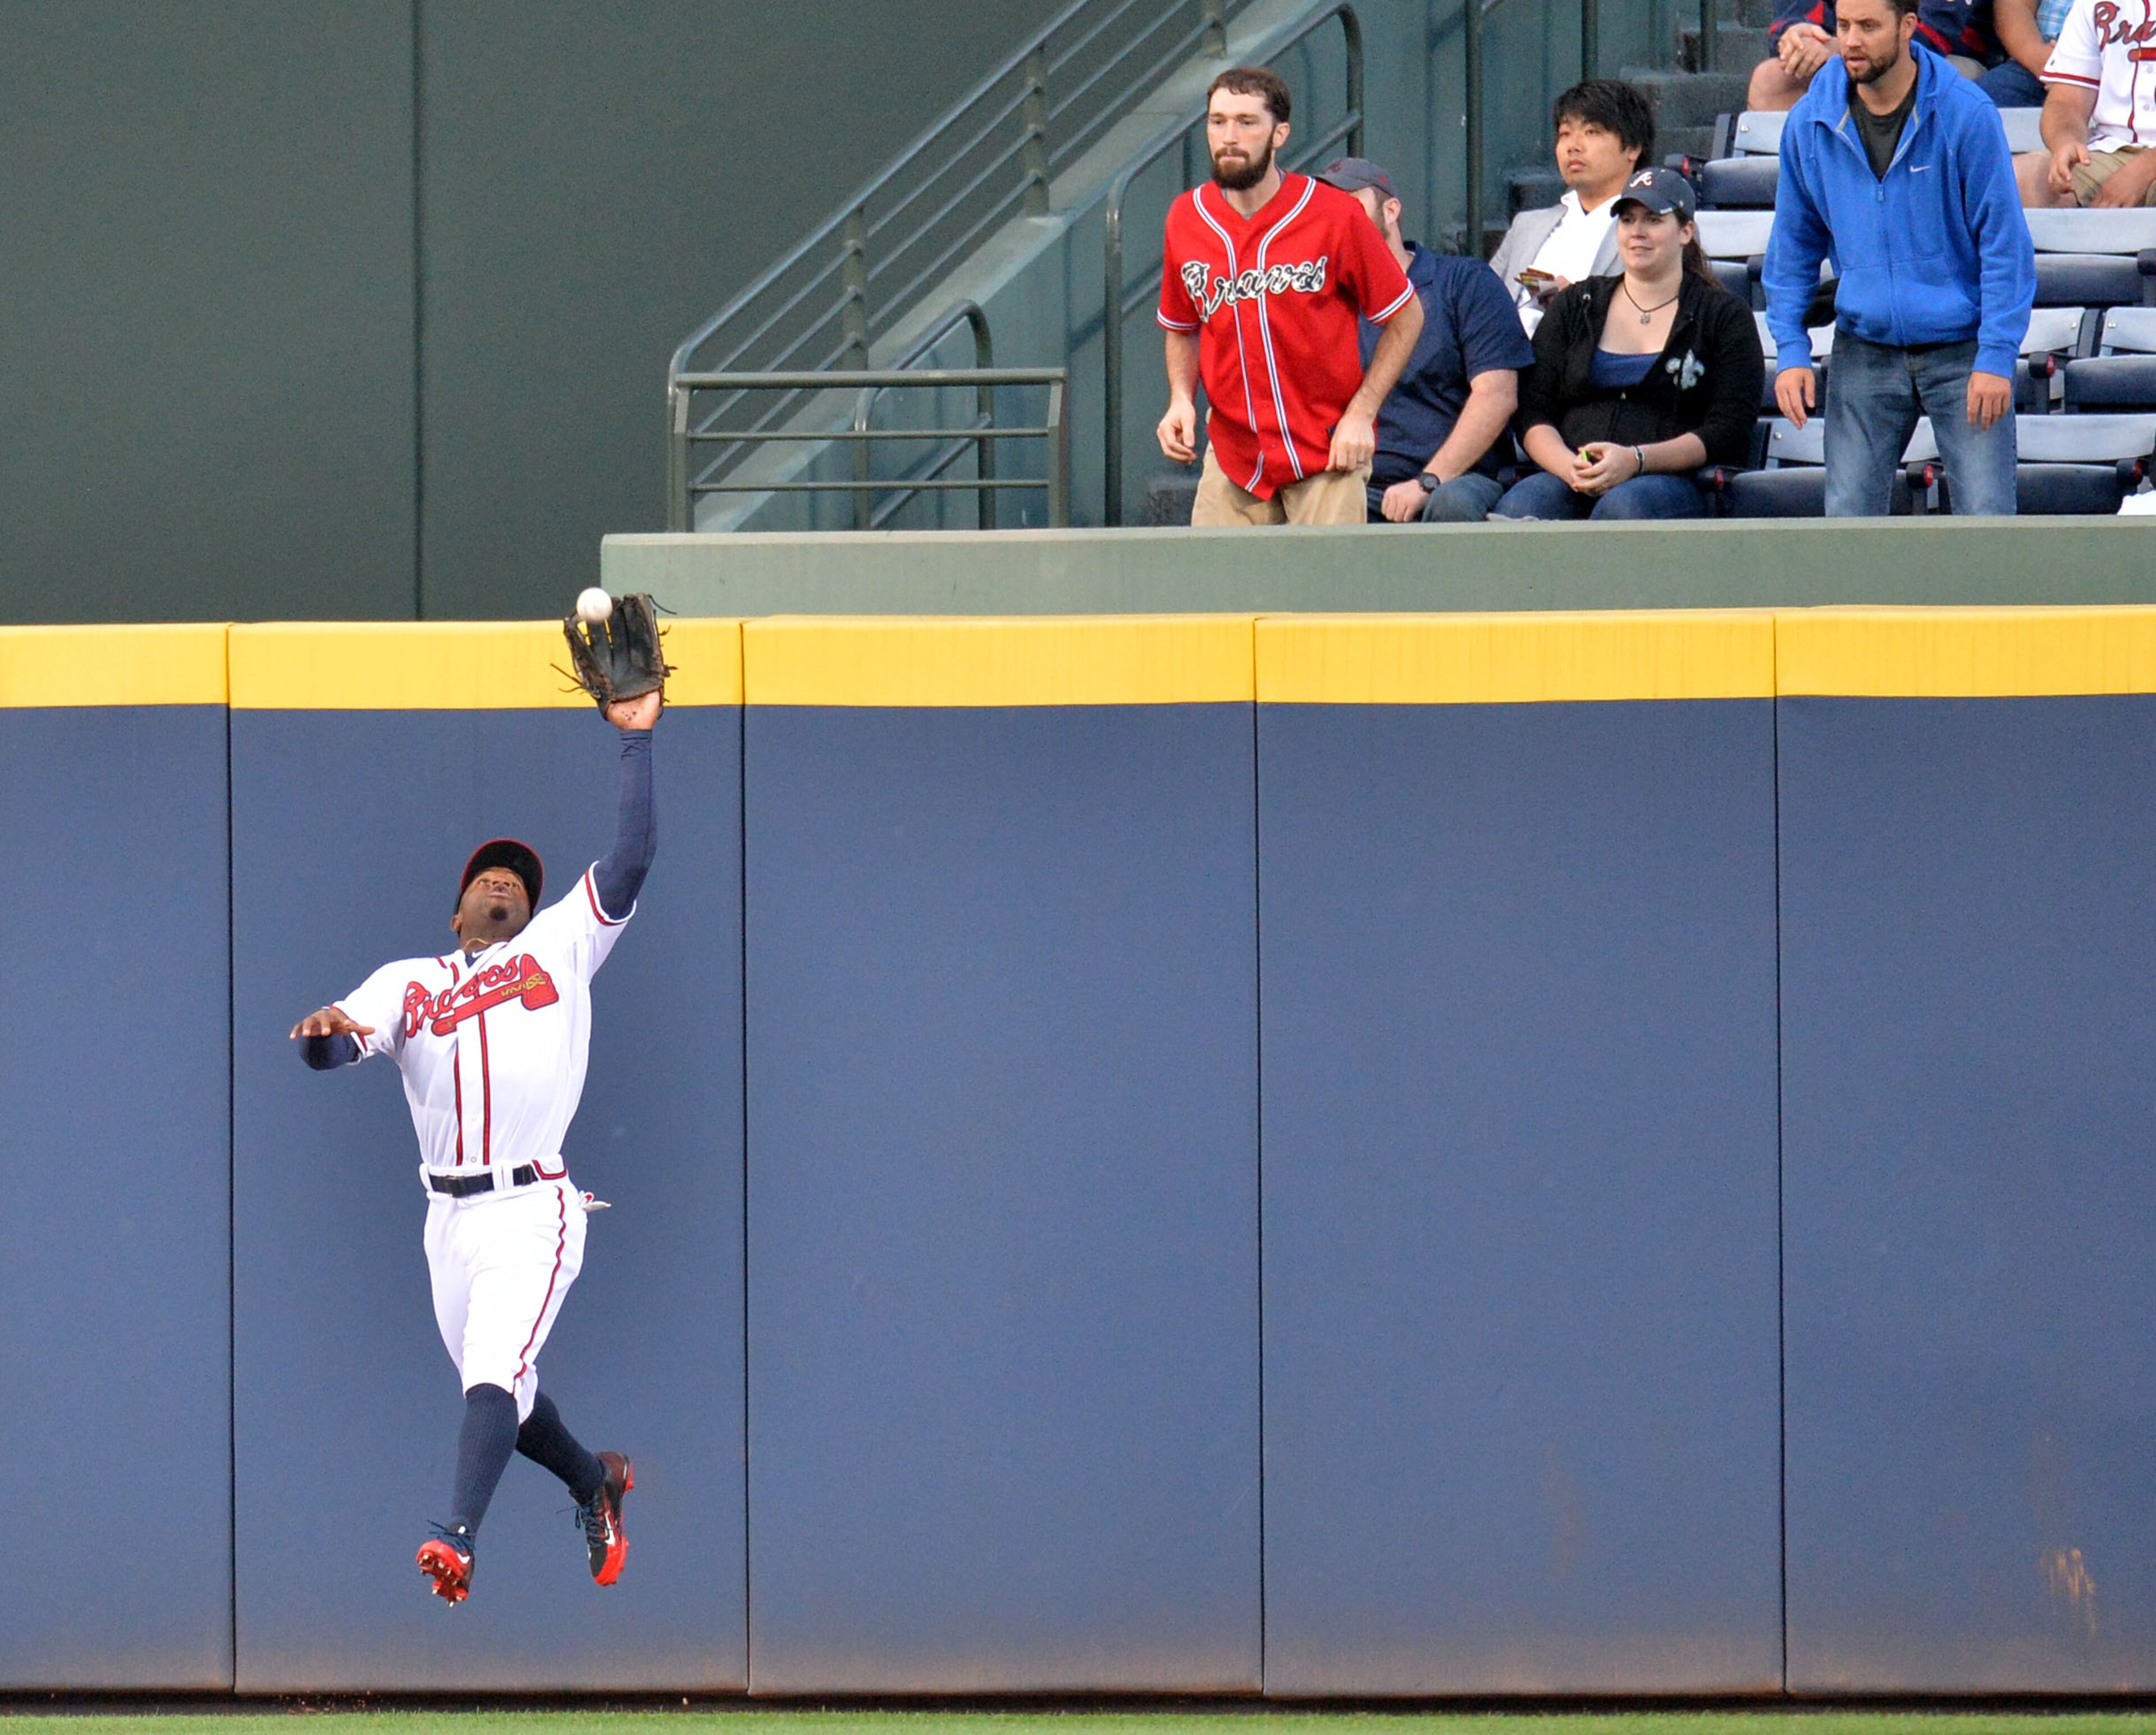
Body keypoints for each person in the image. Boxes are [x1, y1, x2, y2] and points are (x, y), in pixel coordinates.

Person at [289, 690, 662, 1605]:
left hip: (533, 1205)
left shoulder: (561, 944)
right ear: (457, 911)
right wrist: (323, 1039)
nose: (502, 883)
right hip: (447, 1222)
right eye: (485, 879)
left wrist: (636, 745)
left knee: (493, 1375)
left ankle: (453, 1537)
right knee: (507, 1396)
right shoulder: (411, 979)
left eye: (518, 881)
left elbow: (632, 857)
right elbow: (346, 1039)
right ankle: (594, 1479)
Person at [1765, 0, 2034, 516]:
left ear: (1908, 27)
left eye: (1869, 26)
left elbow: (2004, 245)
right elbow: (1792, 247)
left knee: (1988, 520)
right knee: (1848, 521)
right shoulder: (1808, 121)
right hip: (1864, 346)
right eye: (1842, 26)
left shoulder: (1966, 112)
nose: (1851, 41)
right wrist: (1792, 350)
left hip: (1964, 349)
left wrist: (1998, 354)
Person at [1155, 66, 1423, 527]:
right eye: (1218, 122)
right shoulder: (1186, 217)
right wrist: (1181, 397)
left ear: (1280, 134)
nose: (1230, 136)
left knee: (1324, 597)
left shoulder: (1334, 214)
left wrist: (1363, 412)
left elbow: (1407, 315)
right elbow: (1182, 327)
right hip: (1234, 454)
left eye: (1247, 122)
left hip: (1326, 450)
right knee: (1215, 595)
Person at [1493, 168, 1764, 520]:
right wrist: (1570, 468)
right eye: (1627, 219)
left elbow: (1730, 428)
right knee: (1522, 507)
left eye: (1653, 220)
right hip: (1572, 470)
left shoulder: (1723, 315)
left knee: (1623, 508)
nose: (1637, 232)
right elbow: (1532, 410)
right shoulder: (1576, 304)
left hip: (1671, 481)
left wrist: (1636, 460)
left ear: (1686, 232)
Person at [1314, 155, 1534, 523]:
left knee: (1452, 504)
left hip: (1458, 480)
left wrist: (1427, 482)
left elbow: (1497, 395)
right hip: (1356, 482)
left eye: (1350, 203)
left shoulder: (1465, 282)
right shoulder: (1322, 303)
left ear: (1391, 210)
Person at [1486, 79, 1655, 334]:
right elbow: (1484, 299)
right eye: (1565, 134)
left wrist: (1576, 301)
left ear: (1632, 148)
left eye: (1592, 132)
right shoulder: (1528, 225)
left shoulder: (1656, 227)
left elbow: (1656, 314)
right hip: (1507, 359)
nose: (1573, 146)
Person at [1748, 0, 2003, 111]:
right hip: (1840, 50)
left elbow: (1929, 34)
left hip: (1948, 58)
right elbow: (1793, 18)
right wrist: (1800, 38)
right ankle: (1792, 203)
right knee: (1773, 80)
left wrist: (1840, 47)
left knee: (1913, 73)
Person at [2023, 0, 2156, 208]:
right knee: (2021, 180)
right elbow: (2067, 102)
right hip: (2112, 150)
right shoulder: (2092, 4)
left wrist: (2145, 169)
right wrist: (2066, 141)